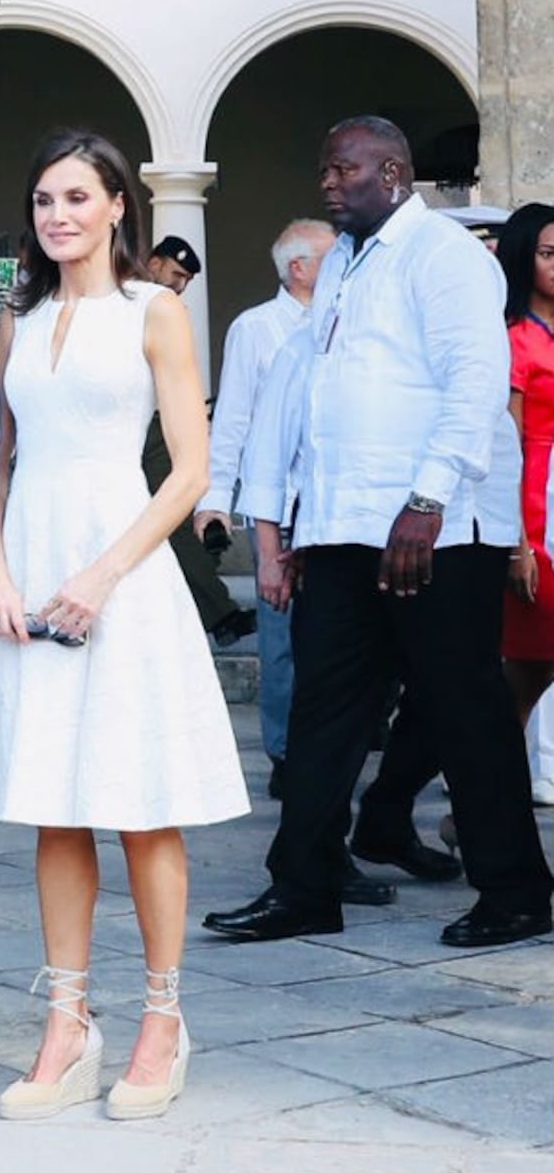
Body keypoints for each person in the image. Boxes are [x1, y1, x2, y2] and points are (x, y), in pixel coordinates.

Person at [0, 129, 248, 1123]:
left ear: (119, 204)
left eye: (77, 196)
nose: (58, 214)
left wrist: (103, 575)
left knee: (139, 797)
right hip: (25, 563)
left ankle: (163, 1018)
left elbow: (190, 469)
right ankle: (67, 1021)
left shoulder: (156, 311)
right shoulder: (18, 318)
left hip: (120, 564)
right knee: (53, 799)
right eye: (43, 199)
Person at [203, 117, 552, 948]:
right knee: (327, 711)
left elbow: (475, 381)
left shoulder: (445, 256)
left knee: (465, 708)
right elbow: (305, 395)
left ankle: (516, 892)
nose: (327, 182)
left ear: (393, 173)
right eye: (324, 168)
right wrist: (278, 525)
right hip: (343, 528)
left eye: (343, 168)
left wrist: (427, 501)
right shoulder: (343, 268)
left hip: (436, 533)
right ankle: (304, 886)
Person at [193, 219, 334, 793]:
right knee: (281, 636)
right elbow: (233, 420)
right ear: (298, 268)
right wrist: (215, 499)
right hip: (278, 505)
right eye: (329, 258)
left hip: (336, 501)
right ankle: (284, 751)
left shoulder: (344, 323)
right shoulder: (257, 328)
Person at [140, 236, 256, 651]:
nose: (180, 285)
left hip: (161, 422)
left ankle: (213, 604)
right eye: (176, 274)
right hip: (140, 428)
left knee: (181, 517)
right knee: (175, 520)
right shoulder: (129, 299)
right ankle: (218, 610)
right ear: (153, 263)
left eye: (186, 279)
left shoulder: (160, 304)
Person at [494, 204, 554, 754]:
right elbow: (507, 446)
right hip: (537, 510)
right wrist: (517, 546)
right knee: (530, 666)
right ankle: (484, 797)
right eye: (548, 254)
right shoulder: (514, 336)